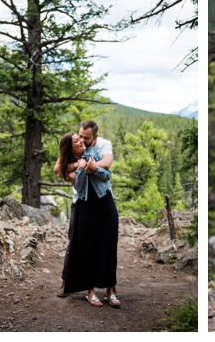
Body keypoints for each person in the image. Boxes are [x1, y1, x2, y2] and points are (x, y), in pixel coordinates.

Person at [55, 124, 120, 308]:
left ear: (95, 136)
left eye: (83, 138)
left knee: (108, 245)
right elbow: (77, 184)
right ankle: (87, 290)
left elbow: (107, 174)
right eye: (77, 139)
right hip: (84, 203)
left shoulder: (97, 150)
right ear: (72, 146)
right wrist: (82, 169)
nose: (81, 140)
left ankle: (110, 289)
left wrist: (93, 167)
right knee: (82, 246)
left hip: (103, 199)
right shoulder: (69, 161)